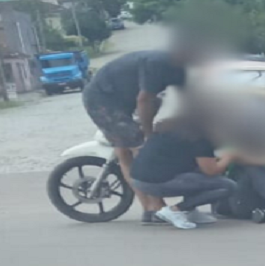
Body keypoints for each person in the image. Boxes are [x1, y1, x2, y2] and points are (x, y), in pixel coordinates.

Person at [82, 49, 187, 224]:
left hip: (123, 99)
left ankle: (150, 209)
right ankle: (155, 208)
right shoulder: (158, 63)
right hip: (102, 100)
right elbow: (144, 99)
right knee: (141, 149)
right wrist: (148, 133)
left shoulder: (181, 67)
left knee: (125, 148)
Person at [128, 117, 242, 230]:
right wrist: (230, 157)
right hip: (157, 183)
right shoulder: (202, 138)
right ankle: (176, 209)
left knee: (198, 172)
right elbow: (211, 170)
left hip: (138, 179)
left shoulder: (173, 126)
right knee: (227, 186)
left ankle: (191, 212)